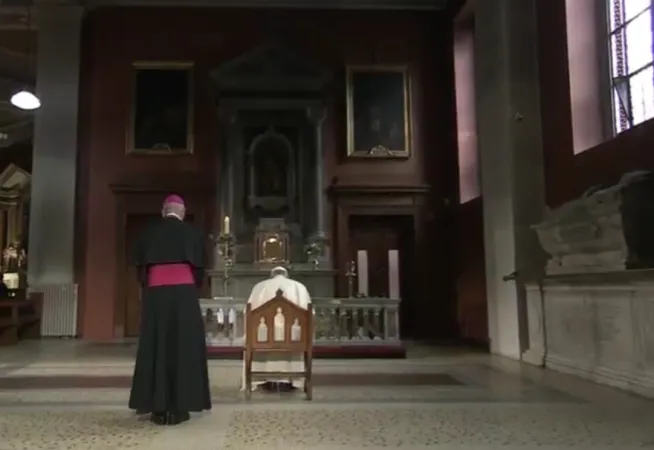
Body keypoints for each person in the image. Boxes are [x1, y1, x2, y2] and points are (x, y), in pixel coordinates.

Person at [128, 194, 211, 425]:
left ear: (163, 212)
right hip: (184, 297)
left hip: (156, 297)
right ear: (182, 212)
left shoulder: (148, 233)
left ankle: (157, 408)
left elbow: (141, 271)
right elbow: (199, 272)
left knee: (156, 347)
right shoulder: (193, 234)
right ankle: (180, 407)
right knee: (184, 348)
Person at [243, 266, 312, 393]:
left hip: (262, 340)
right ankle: (294, 380)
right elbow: (310, 314)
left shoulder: (259, 287)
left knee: (261, 333)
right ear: (286, 274)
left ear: (272, 275)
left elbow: (247, 314)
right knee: (294, 333)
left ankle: (261, 379)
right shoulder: (299, 287)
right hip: (294, 341)